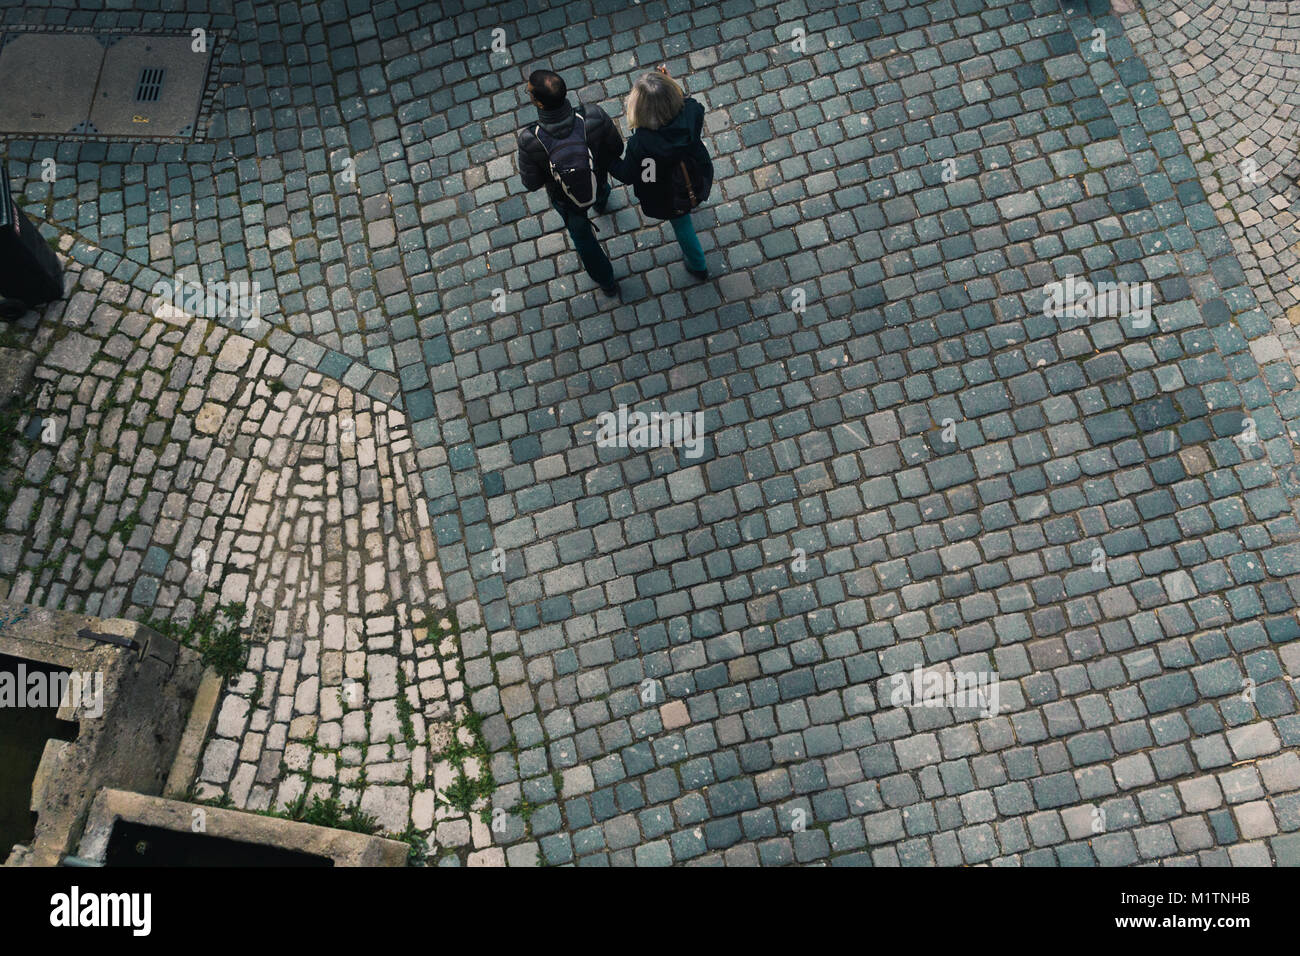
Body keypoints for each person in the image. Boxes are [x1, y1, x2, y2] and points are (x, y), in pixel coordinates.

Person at [516, 69, 625, 297]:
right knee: (600, 188)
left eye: (530, 93)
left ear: (539, 103)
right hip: (596, 176)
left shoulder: (530, 139)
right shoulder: (593, 115)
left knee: (584, 240)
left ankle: (607, 282)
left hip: (565, 199)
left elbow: (532, 183)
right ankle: (601, 202)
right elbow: (617, 148)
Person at [609, 65, 714, 279]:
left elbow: (627, 175)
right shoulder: (692, 111)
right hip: (697, 173)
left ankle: (699, 266)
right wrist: (669, 84)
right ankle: (697, 265)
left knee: (682, 224)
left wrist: (606, 159)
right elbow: (684, 101)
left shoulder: (641, 144)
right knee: (684, 218)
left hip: (668, 193)